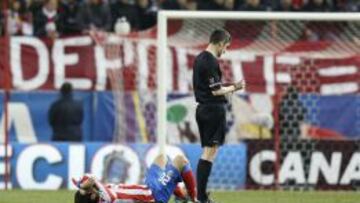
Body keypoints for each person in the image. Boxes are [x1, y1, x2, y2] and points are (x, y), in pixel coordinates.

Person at [192, 29, 245, 203]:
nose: (226, 50)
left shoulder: (200, 58)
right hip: (212, 110)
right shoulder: (210, 61)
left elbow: (211, 87)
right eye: (226, 46)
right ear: (220, 43)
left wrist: (227, 89)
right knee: (209, 152)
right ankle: (200, 197)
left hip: (204, 108)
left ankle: (201, 195)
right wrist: (235, 87)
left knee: (209, 151)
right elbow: (216, 91)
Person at [72, 154, 197, 203]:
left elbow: (89, 183)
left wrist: (82, 187)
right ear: (92, 196)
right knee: (181, 160)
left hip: (147, 189)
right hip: (153, 195)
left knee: (161, 158)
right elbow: (91, 178)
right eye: (87, 190)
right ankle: (195, 198)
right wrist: (82, 185)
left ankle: (180, 196)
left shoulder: (99, 196)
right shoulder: (105, 197)